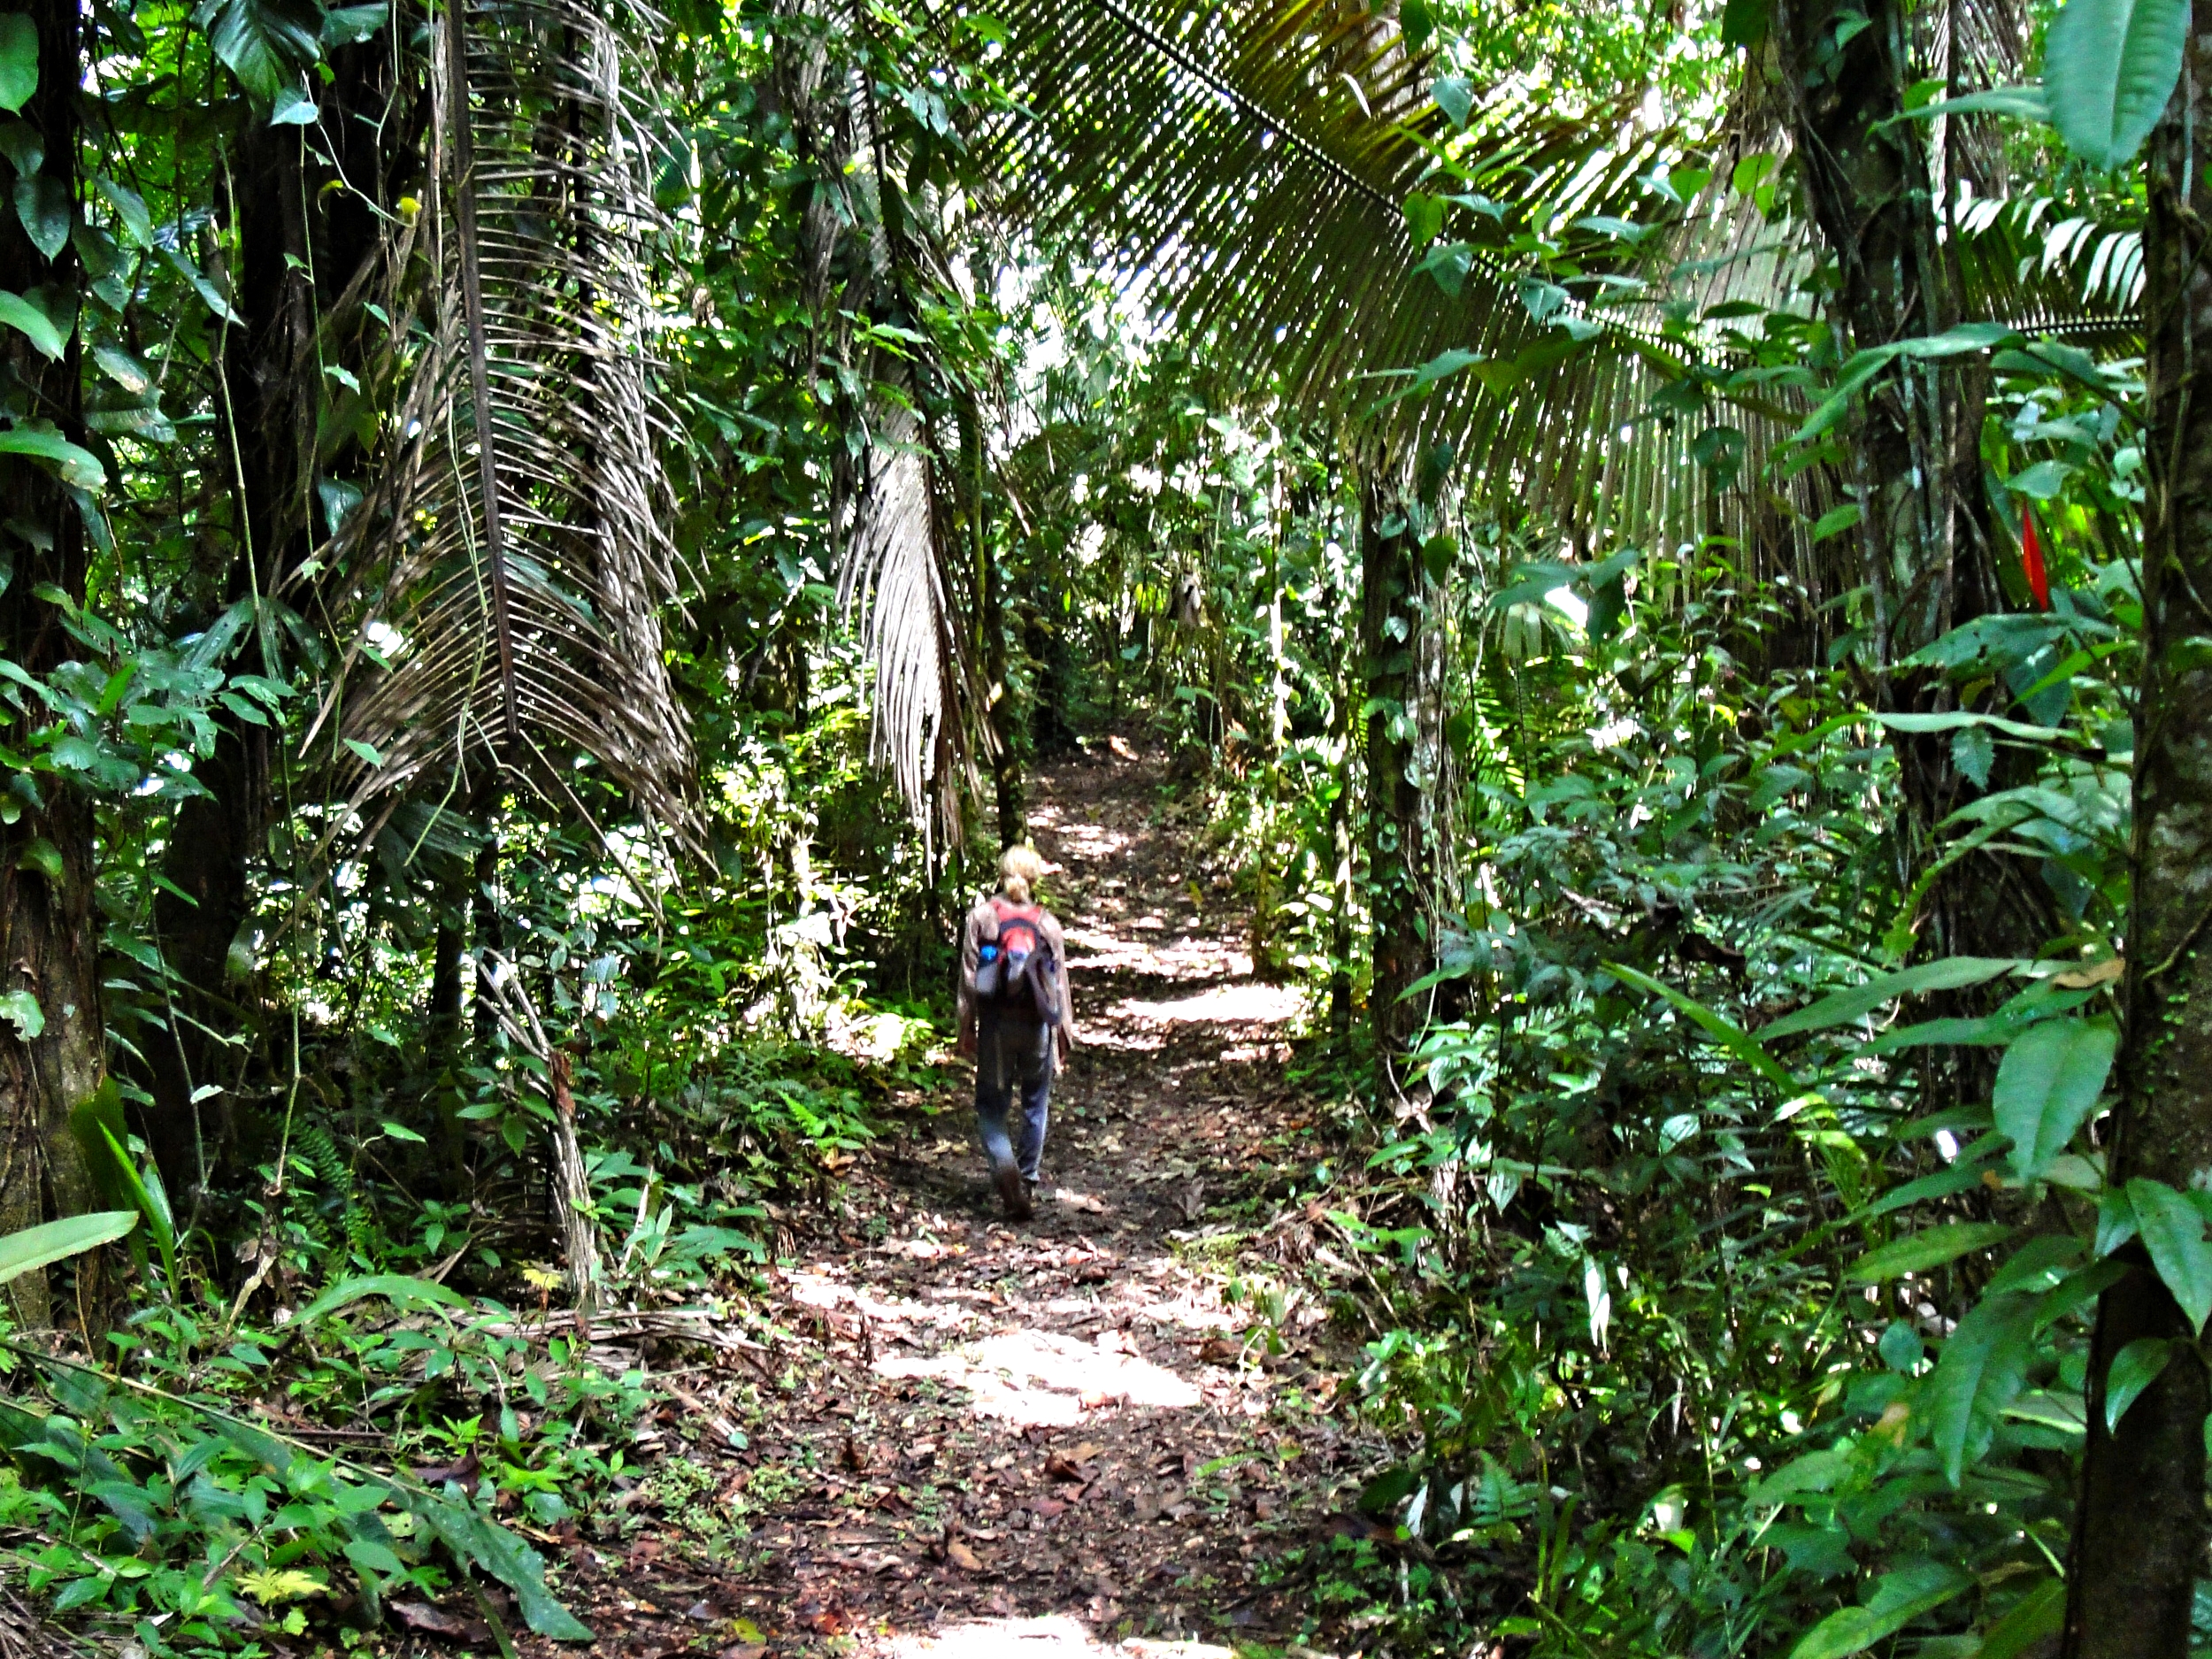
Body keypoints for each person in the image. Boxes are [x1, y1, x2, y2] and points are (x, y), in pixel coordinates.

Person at [956, 843, 1077, 1220]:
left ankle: (1005, 1168)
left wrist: (965, 1028)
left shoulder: (981, 918)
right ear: (1035, 878)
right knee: (1035, 1102)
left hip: (995, 1028)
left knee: (991, 1106)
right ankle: (1026, 1179)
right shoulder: (1047, 925)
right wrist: (1063, 1037)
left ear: (1001, 873)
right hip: (1037, 1026)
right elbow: (1059, 987)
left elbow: (968, 981)